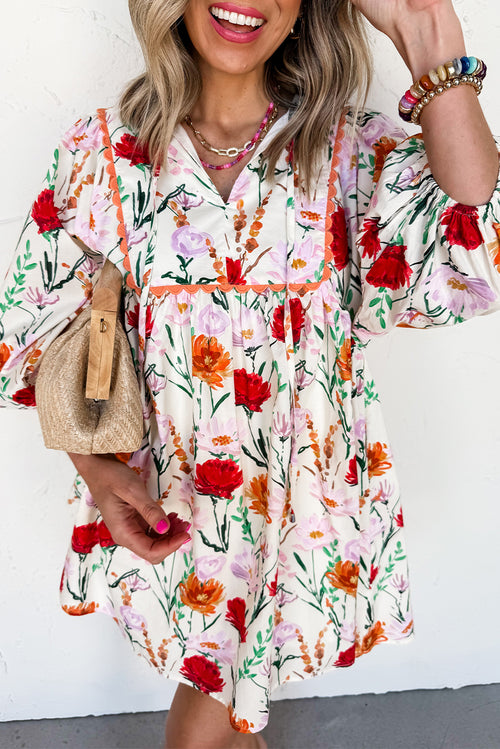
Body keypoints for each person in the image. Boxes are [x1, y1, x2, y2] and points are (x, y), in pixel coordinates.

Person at [1, 0, 499, 747]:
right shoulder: (105, 154)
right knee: (220, 717)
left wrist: (426, 29)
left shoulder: (347, 154)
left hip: (302, 516)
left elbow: (476, 237)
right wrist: (100, 476)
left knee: (211, 724)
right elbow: (36, 338)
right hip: (174, 511)